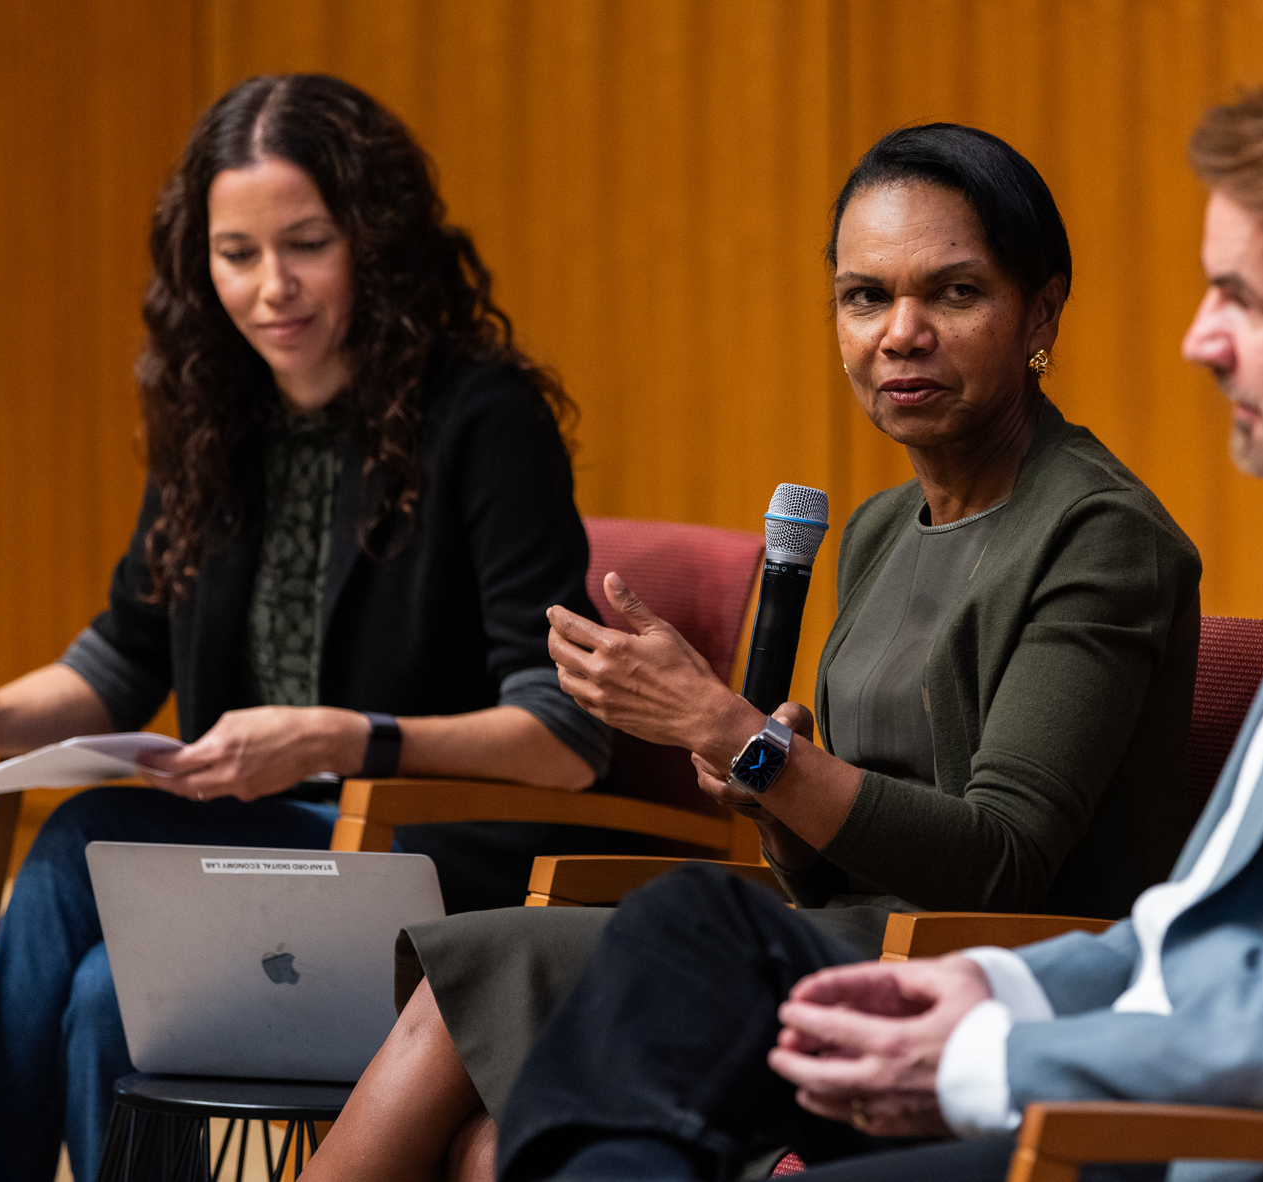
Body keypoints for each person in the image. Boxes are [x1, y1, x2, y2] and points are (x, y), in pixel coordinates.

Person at [470, 84, 1263, 1182]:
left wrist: (990, 1055)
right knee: (685, 944)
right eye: (863, 295)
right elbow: (1195, 931)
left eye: (1244, 296)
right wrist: (991, 984)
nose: (1197, 338)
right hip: (1156, 1084)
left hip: (1257, 1144)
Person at [298, 123, 1204, 1182]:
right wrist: (763, 780)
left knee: (490, 989)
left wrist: (745, 739)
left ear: (1039, 311)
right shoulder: (872, 529)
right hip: (834, 935)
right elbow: (829, 855)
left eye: (952, 294)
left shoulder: (1099, 535)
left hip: (974, 977)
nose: (899, 333)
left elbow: (1002, 859)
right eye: (864, 296)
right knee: (495, 1128)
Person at [0, 74, 624, 1182]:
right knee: (99, 958)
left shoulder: (483, 418)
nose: (270, 288)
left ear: (375, 243)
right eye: (236, 253)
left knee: (74, 864)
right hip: (250, 849)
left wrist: (337, 738)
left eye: (306, 243)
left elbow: (561, 736)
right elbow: (120, 656)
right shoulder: (217, 412)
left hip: (412, 864)